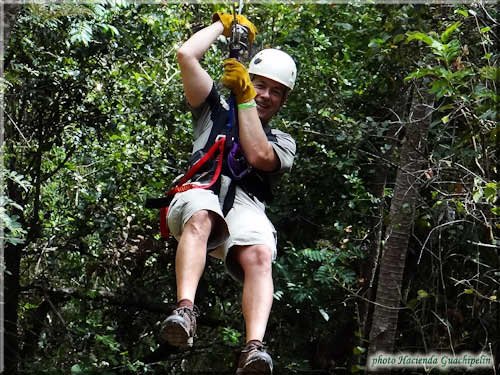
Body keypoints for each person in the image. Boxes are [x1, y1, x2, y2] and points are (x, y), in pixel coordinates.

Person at [160, 12, 297, 374]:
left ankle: (253, 348)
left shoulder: (282, 142)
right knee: (203, 214)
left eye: (275, 91)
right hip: (200, 189)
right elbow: (187, 56)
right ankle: (185, 312)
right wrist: (224, 25)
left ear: (283, 100)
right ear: (248, 78)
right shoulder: (212, 113)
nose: (265, 95)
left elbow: (257, 155)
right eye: (259, 84)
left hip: (245, 204)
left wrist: (245, 96)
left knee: (260, 254)